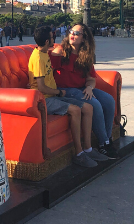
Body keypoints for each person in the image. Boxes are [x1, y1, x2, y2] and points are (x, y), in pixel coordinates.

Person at [29, 26, 108, 168]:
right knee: (77, 109)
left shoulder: (46, 54)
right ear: (48, 41)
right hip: (47, 97)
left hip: (55, 94)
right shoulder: (39, 58)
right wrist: (59, 92)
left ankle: (89, 149)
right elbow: (41, 87)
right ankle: (79, 153)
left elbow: (50, 74)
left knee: (89, 108)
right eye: (53, 37)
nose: (56, 39)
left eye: (76, 33)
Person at [50, 24, 119, 159]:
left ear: (84, 38)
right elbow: (48, 72)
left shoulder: (85, 55)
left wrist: (89, 87)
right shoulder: (60, 51)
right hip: (64, 90)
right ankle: (103, 143)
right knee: (95, 104)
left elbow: (91, 79)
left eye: (77, 33)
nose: (72, 35)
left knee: (109, 100)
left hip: (81, 88)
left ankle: (107, 139)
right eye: (71, 32)